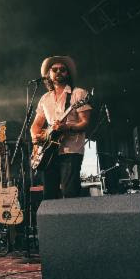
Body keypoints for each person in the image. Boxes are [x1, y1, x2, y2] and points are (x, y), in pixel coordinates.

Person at [30, 56, 92, 199]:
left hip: (71, 150)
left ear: (67, 73)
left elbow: (85, 122)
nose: (58, 72)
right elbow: (36, 125)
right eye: (54, 69)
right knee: (49, 195)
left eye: (62, 70)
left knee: (70, 192)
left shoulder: (78, 94)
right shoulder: (45, 98)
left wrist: (67, 127)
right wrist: (36, 138)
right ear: (48, 75)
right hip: (48, 152)